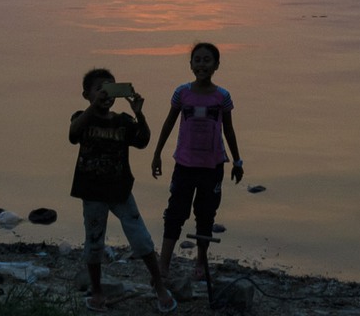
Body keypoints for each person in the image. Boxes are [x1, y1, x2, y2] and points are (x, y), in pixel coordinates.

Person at [69, 68, 177, 313]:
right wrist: (92, 108)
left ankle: (158, 286)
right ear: (86, 94)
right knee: (94, 242)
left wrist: (140, 115)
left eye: (110, 89)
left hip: (120, 191)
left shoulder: (122, 121)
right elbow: (73, 134)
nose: (105, 94)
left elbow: (143, 141)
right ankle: (97, 292)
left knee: (141, 238)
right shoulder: (81, 117)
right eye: (99, 89)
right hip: (92, 192)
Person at [151, 42, 244, 279]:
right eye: (197, 60)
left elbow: (229, 131)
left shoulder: (222, 96)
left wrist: (237, 161)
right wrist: (157, 153)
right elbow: (169, 123)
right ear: (190, 64)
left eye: (207, 60)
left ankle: (201, 263)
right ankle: (164, 264)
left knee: (205, 214)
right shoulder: (182, 93)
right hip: (184, 164)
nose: (202, 64)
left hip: (212, 166)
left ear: (216, 65)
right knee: (175, 213)